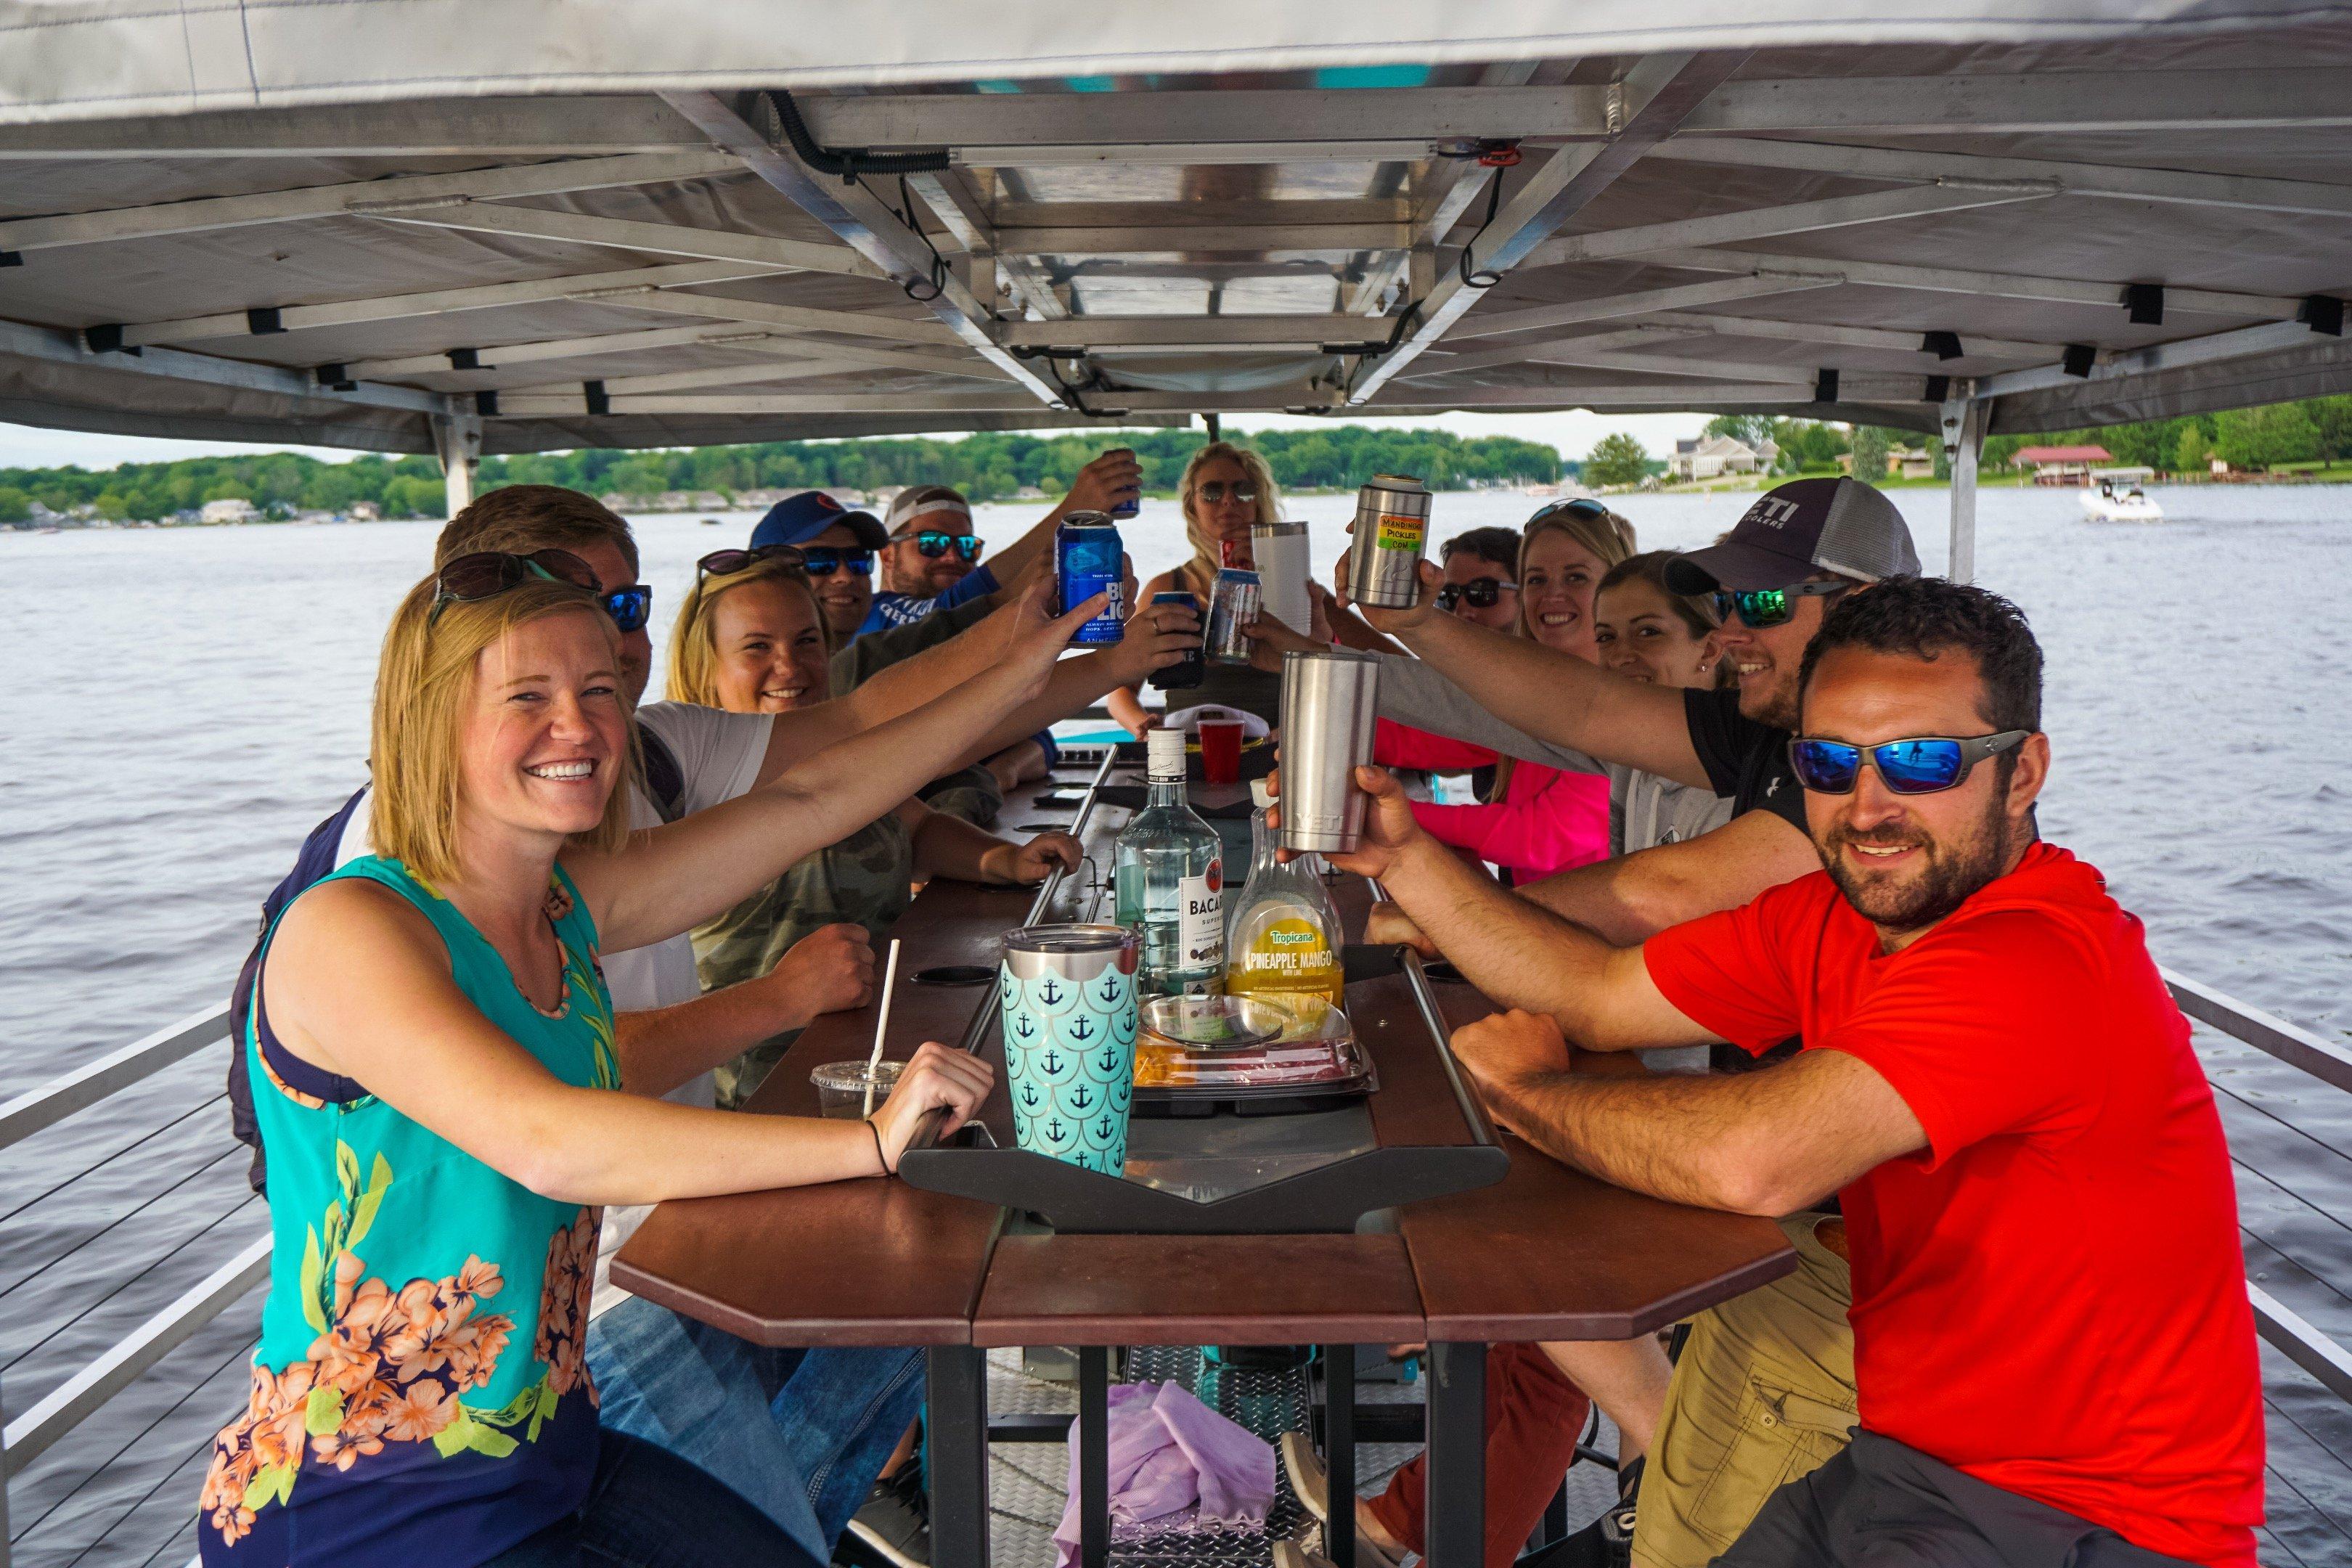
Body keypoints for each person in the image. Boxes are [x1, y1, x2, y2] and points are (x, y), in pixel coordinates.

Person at [277, 486, 1196, 1563]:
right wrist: (867, 1140)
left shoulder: (565, 903)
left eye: (595, 688)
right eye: (526, 696)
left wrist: (1025, 663)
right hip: (379, 1499)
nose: (581, 726)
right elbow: (550, 1140)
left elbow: (816, 796)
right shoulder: (354, 925)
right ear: (432, 716)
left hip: (550, 1445)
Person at [1313, 578, 2265, 1568]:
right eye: (1828, 763)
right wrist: (1409, 863)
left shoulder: (2031, 958)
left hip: (2080, 1516)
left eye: (1921, 761)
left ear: (2022, 772)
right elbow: (1598, 993)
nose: (1868, 807)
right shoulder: (1841, 916)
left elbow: (1750, 1164)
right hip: (1909, 1456)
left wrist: (1526, 1092)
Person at [1352, 476, 1920, 953]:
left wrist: (1439, 911)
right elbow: (1586, 708)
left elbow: (1674, 889)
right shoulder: (1772, 729)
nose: (1729, 632)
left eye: (1762, 602)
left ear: (1863, 606)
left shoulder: (1910, 760)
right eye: (1726, 603)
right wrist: (1415, 623)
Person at [662, 547, 1087, 1106]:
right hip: (756, 1088)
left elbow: (915, 827)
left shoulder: (848, 758)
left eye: (807, 642)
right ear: (705, 666)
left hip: (886, 1051)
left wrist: (1001, 860)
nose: (790, 667)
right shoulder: (685, 793)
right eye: (757, 648)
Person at [1394, 501, 1630, 884]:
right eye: (1536, 580)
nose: (1552, 595)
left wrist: (1389, 814)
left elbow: (1542, 836)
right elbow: (1423, 736)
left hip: (1594, 933)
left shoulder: (1629, 700)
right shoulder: (1537, 691)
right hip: (1538, 917)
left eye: (1576, 578)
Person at [1108, 440, 1286, 730]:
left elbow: (1330, 668)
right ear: (1193, 505)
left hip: (1277, 751)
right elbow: (1120, 689)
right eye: (1213, 491)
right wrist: (1145, 727)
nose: (1229, 500)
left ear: (1258, 501)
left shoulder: (1290, 582)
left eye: (1243, 490)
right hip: (1189, 747)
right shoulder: (1167, 589)